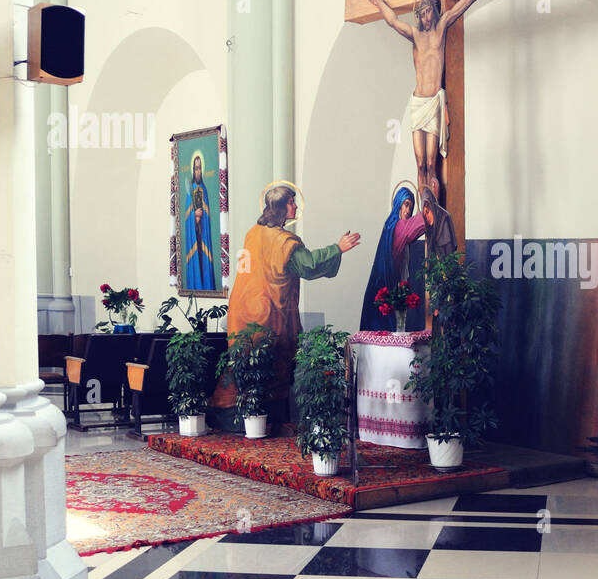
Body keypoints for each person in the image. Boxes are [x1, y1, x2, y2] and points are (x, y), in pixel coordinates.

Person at [212, 184, 360, 427]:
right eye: (291, 202)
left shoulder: (253, 233)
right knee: (270, 364)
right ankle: (262, 419)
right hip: (268, 313)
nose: (295, 206)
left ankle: (235, 417)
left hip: (242, 311)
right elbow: (308, 264)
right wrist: (338, 248)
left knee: (243, 362)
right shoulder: (283, 241)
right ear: (280, 207)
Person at [368, 0, 513, 195]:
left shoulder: (442, 27)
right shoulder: (414, 35)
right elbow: (392, 21)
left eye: (427, 12)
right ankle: (423, 203)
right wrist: (379, 2)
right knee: (419, 162)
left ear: (434, 10)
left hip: (434, 102)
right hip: (417, 102)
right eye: (421, 14)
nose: (424, 17)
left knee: (431, 163)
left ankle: (431, 206)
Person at [359, 186, 427, 331]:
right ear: (398, 204)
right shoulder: (396, 226)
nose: (408, 211)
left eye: (411, 206)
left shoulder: (391, 225)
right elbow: (422, 223)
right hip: (384, 284)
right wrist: (428, 204)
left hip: (390, 283)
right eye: (406, 204)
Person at [182, 153, 217, 291]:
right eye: (196, 168)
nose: (198, 171)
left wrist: (201, 218)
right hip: (194, 234)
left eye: (200, 168)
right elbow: (187, 215)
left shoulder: (204, 190)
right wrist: (194, 216)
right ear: (192, 170)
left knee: (204, 261)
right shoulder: (190, 190)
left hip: (203, 234)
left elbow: (206, 215)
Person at [420, 186, 457, 259]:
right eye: (424, 216)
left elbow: (449, 256)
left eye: (427, 212)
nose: (427, 218)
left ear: (432, 207)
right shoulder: (430, 228)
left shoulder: (444, 218)